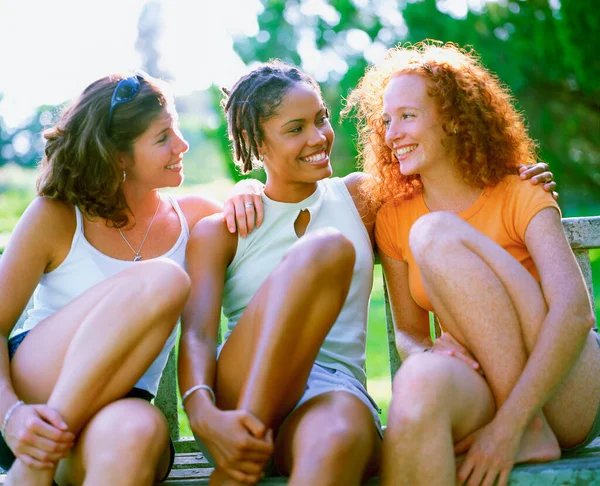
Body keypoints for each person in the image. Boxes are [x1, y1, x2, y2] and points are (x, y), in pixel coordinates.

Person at [178, 60, 556, 486]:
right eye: (294, 128)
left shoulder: (361, 197)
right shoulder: (223, 229)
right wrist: (203, 414)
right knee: (325, 250)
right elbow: (197, 335)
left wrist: (516, 176)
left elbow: (444, 182)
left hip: (331, 389)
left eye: (320, 119)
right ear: (253, 141)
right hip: (241, 390)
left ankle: (244, 466)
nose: (318, 137)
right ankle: (242, 445)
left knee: (339, 438)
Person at [343, 41, 600, 486]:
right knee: (415, 387)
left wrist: (510, 425)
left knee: (433, 233)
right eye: (386, 121)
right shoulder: (394, 216)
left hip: (564, 387)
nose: (392, 134)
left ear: (456, 118)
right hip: (479, 381)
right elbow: (409, 332)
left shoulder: (520, 190)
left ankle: (529, 430)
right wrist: (427, 354)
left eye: (407, 116)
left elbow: (575, 312)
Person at [0, 71, 252, 486]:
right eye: (162, 137)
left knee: (136, 435)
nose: (181, 145)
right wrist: (11, 415)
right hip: (36, 395)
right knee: (164, 281)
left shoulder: (195, 219)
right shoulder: (56, 216)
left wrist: (249, 193)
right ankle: (30, 462)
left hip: (121, 406)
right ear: (118, 156)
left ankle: (32, 471)